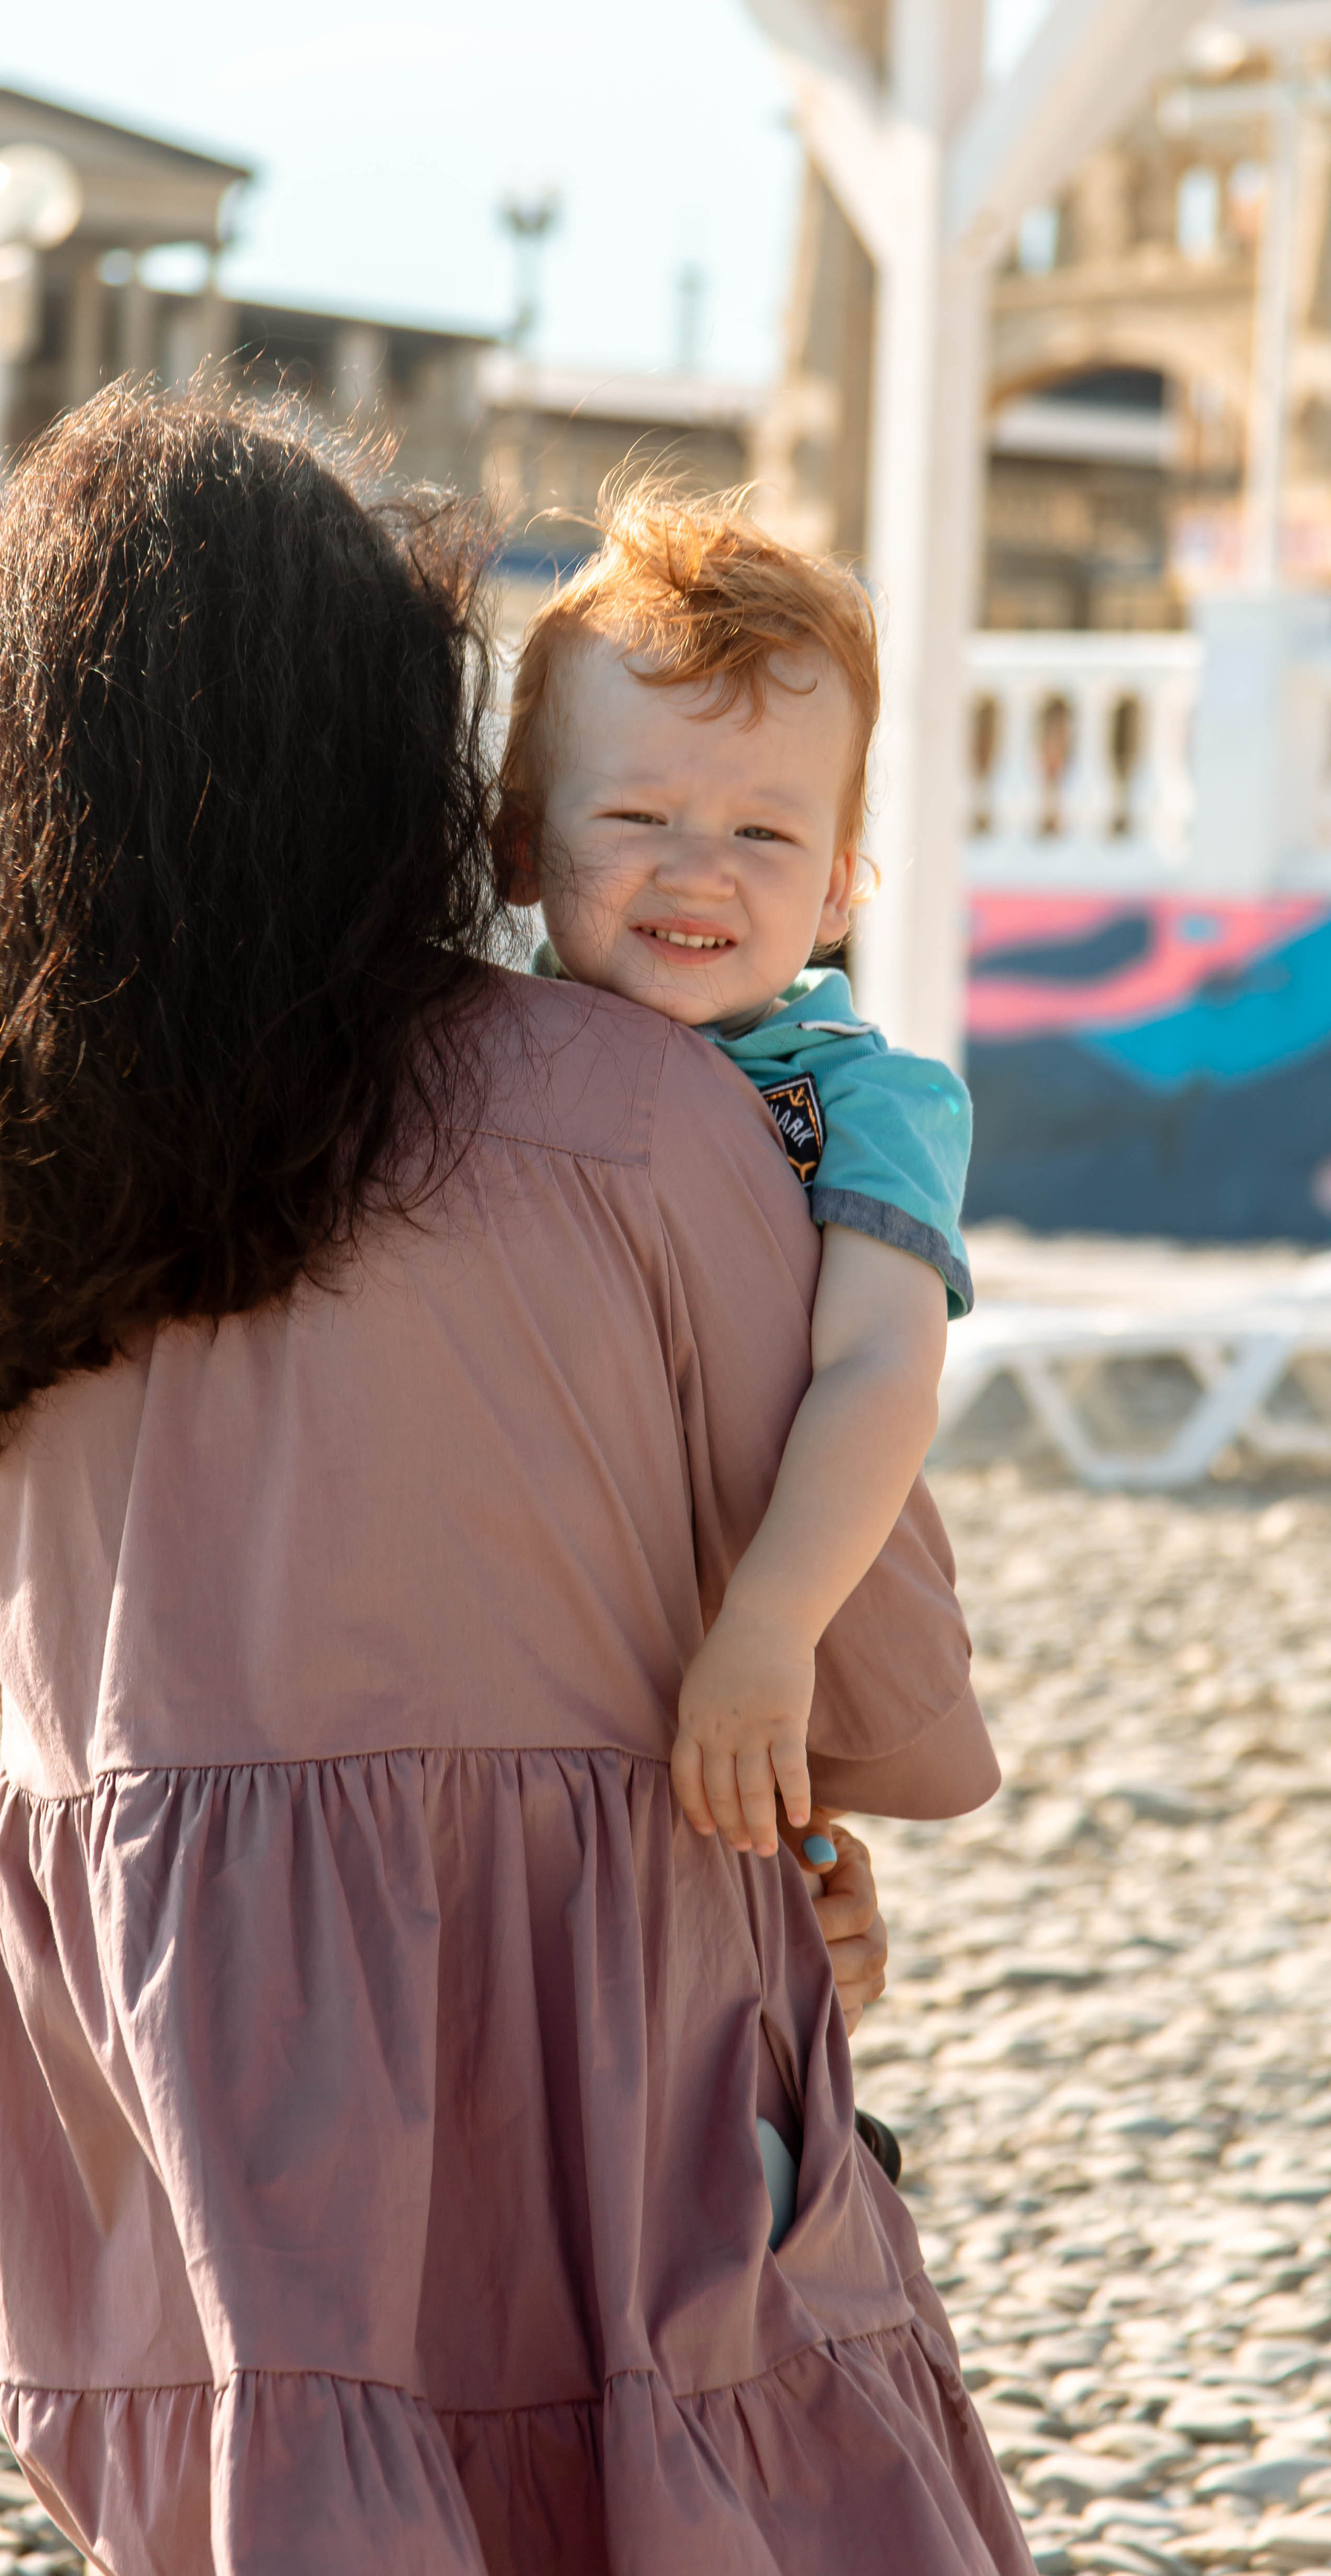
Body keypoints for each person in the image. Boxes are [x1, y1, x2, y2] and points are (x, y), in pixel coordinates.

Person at [0, 386, 1030, 2576]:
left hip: (173, 2028)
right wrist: (808, 1822)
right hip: (582, 2002)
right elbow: (880, 1674)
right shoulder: (627, 1118)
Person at [498, 489, 972, 1866]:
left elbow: (881, 1368)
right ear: (519, 845)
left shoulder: (864, 1101)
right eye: (639, 814)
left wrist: (772, 1628)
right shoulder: (471, 1064)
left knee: (763, 1872)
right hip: (520, 1637)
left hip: (751, 1622)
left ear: (836, 889)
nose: (700, 873)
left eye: (765, 836)